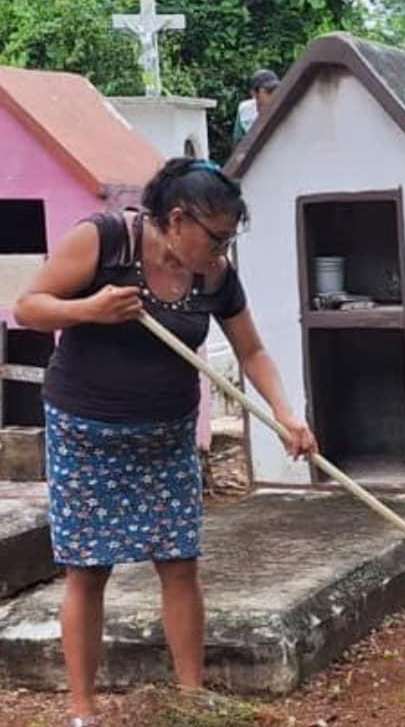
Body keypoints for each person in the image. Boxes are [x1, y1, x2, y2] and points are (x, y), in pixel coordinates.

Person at [14, 158, 317, 727]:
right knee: (88, 568)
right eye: (217, 236)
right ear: (178, 220)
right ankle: (83, 712)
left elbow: (251, 351)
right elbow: (29, 307)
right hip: (87, 434)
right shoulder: (105, 240)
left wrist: (285, 414)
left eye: (229, 237)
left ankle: (191, 700)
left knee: (179, 563)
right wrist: (91, 310)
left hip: (166, 436)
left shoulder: (214, 275)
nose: (222, 249)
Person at [231, 69, 280, 145]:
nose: (273, 95)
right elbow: (238, 141)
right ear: (254, 93)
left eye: (275, 90)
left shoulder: (283, 108)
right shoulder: (245, 109)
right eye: (268, 92)